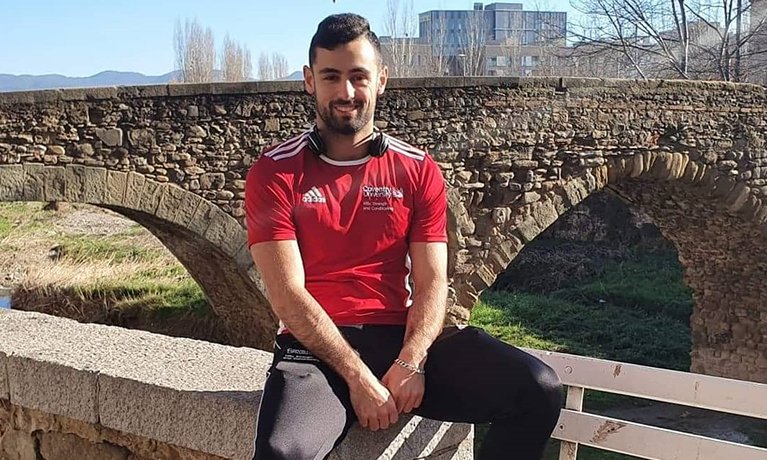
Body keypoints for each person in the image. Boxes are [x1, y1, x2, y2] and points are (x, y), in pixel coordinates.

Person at [244, 13, 562, 460]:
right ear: (308, 81)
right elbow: (286, 294)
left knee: (538, 389)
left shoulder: (416, 169)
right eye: (331, 76)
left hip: (401, 342)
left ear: (381, 81)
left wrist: (411, 361)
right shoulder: (275, 170)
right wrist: (358, 378)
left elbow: (433, 282)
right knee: (281, 453)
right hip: (316, 352)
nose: (346, 92)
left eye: (359, 76)